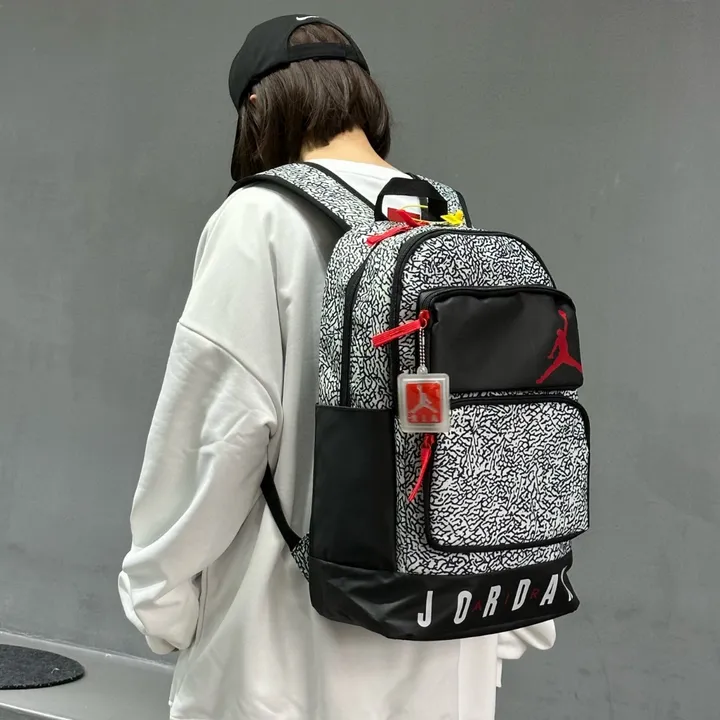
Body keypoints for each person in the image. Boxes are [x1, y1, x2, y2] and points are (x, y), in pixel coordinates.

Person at [118, 15, 556, 720]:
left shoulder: (259, 217)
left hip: (290, 640)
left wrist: (157, 598)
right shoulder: (445, 216)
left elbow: (215, 434)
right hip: (449, 627)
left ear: (256, 105)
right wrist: (503, 612)